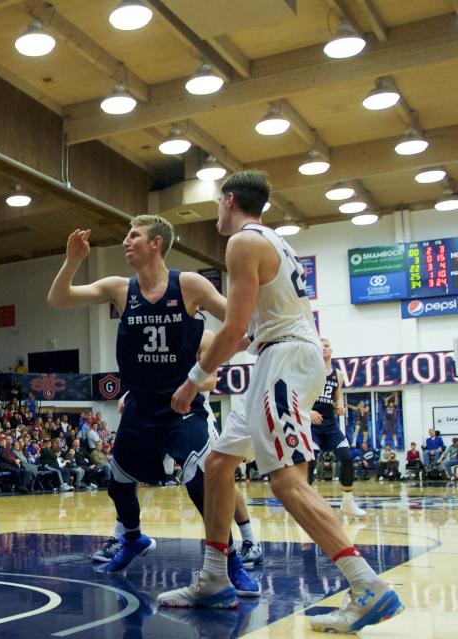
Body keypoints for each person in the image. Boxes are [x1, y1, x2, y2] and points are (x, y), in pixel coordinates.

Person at [157, 171, 403, 633]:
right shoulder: (274, 240)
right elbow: (250, 325)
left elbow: (232, 330)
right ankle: (213, 579)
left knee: (286, 482)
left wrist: (193, 380)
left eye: (216, 204)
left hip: (286, 359)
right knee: (218, 464)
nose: (215, 212)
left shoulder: (242, 242)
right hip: (279, 357)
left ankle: (367, 584)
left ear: (229, 200)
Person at [46, 218, 261, 594]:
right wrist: (72, 261)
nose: (126, 241)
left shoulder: (189, 285)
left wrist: (204, 372)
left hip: (182, 403)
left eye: (134, 236)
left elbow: (240, 322)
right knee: (118, 483)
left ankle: (229, 561)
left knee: (202, 481)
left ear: (156, 243)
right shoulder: (119, 288)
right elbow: (58, 299)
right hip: (140, 404)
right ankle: (132, 538)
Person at [307, 338, 365, 518]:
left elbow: (337, 395)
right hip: (311, 425)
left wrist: (340, 406)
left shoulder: (338, 374)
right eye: (320, 346)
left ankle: (347, 502)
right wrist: (307, 411)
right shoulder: (309, 371)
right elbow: (298, 394)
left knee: (346, 457)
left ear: (331, 349)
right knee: (310, 462)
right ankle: (307, 505)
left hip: (331, 424)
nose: (323, 348)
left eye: (326, 345)